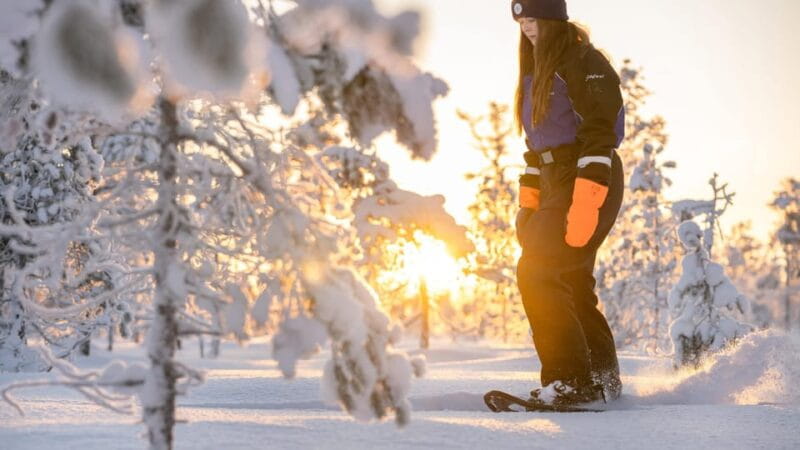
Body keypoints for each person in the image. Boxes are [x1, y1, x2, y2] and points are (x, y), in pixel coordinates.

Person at [511, 0, 625, 406]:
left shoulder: (582, 59)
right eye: (520, 18)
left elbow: (601, 127)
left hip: (586, 175)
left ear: (553, 17)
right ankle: (602, 385)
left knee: (539, 273)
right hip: (554, 179)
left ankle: (573, 382)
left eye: (532, 17)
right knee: (572, 282)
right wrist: (528, 207)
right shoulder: (536, 71)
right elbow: (536, 149)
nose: (526, 25)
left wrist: (587, 197)